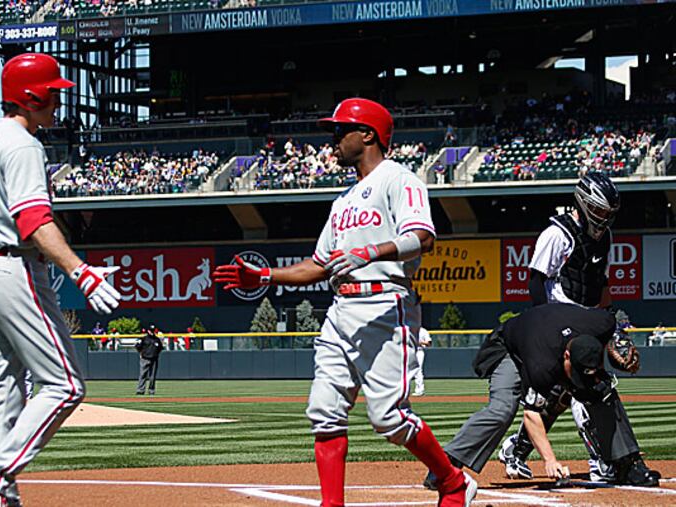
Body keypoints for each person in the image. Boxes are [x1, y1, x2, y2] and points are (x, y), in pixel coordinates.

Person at [213, 98, 477, 507]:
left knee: (388, 418)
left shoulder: (399, 179)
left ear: (367, 134)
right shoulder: (343, 199)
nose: (332, 140)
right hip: (341, 312)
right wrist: (263, 276)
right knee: (324, 412)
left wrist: (370, 253)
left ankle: (451, 480)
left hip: (386, 307)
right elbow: (319, 265)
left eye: (339, 131)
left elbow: (423, 238)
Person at [0, 53, 121, 507]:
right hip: (12, 268)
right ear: (31, 96)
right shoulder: (23, 142)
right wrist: (79, 270)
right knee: (65, 385)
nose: (58, 100)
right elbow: (32, 220)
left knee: (0, 398)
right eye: (53, 93)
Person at [423, 304, 659, 490]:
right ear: (566, 356)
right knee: (503, 408)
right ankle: (444, 466)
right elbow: (531, 414)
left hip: (552, 333)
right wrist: (550, 460)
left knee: (601, 391)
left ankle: (627, 465)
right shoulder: (541, 365)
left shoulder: (600, 324)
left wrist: (620, 337)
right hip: (511, 348)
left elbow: (613, 317)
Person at [499, 172, 622, 483]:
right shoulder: (557, 234)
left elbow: (601, 283)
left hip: (587, 319)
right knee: (585, 390)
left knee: (559, 399)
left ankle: (515, 450)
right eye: (600, 211)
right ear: (584, 203)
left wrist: (612, 328)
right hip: (558, 320)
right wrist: (545, 328)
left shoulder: (604, 238)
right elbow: (537, 279)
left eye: (609, 213)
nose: (604, 218)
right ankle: (602, 462)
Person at [135, 324, 163, 395]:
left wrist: (156, 355)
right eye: (151, 330)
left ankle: (151, 390)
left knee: (152, 376)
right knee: (142, 375)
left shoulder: (157, 340)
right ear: (148, 331)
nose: (152, 332)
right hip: (145, 358)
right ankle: (140, 390)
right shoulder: (144, 339)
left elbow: (160, 348)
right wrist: (141, 353)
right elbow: (138, 346)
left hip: (154, 359)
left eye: (153, 330)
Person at [413, 328, 432, 396]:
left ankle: (420, 390)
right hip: (409, 351)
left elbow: (429, 343)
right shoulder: (408, 329)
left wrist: (419, 342)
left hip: (419, 351)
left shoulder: (423, 331)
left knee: (418, 370)